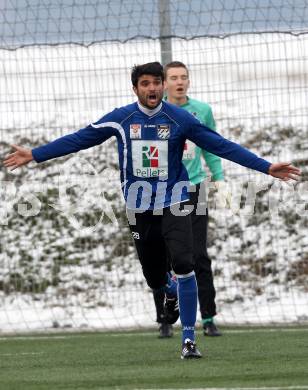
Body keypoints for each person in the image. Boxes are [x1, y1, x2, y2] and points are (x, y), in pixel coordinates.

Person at [4, 62, 300, 360]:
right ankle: (167, 288)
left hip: (174, 199)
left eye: (157, 82)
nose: (153, 88)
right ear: (136, 88)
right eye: (145, 83)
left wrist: (266, 166)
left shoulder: (180, 119)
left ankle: (188, 340)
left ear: (163, 86)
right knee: (154, 277)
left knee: (185, 262)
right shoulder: (122, 119)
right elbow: (81, 139)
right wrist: (35, 154)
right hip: (138, 205)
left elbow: (220, 145)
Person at [153, 61, 224, 338]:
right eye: (173, 78)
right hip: (164, 192)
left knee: (198, 255)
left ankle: (208, 318)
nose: (179, 82)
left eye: (184, 77)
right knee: (165, 257)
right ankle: (165, 319)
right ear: (165, 83)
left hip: (195, 190)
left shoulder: (202, 111)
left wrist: (218, 178)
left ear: (188, 82)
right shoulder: (155, 113)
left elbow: (211, 145)